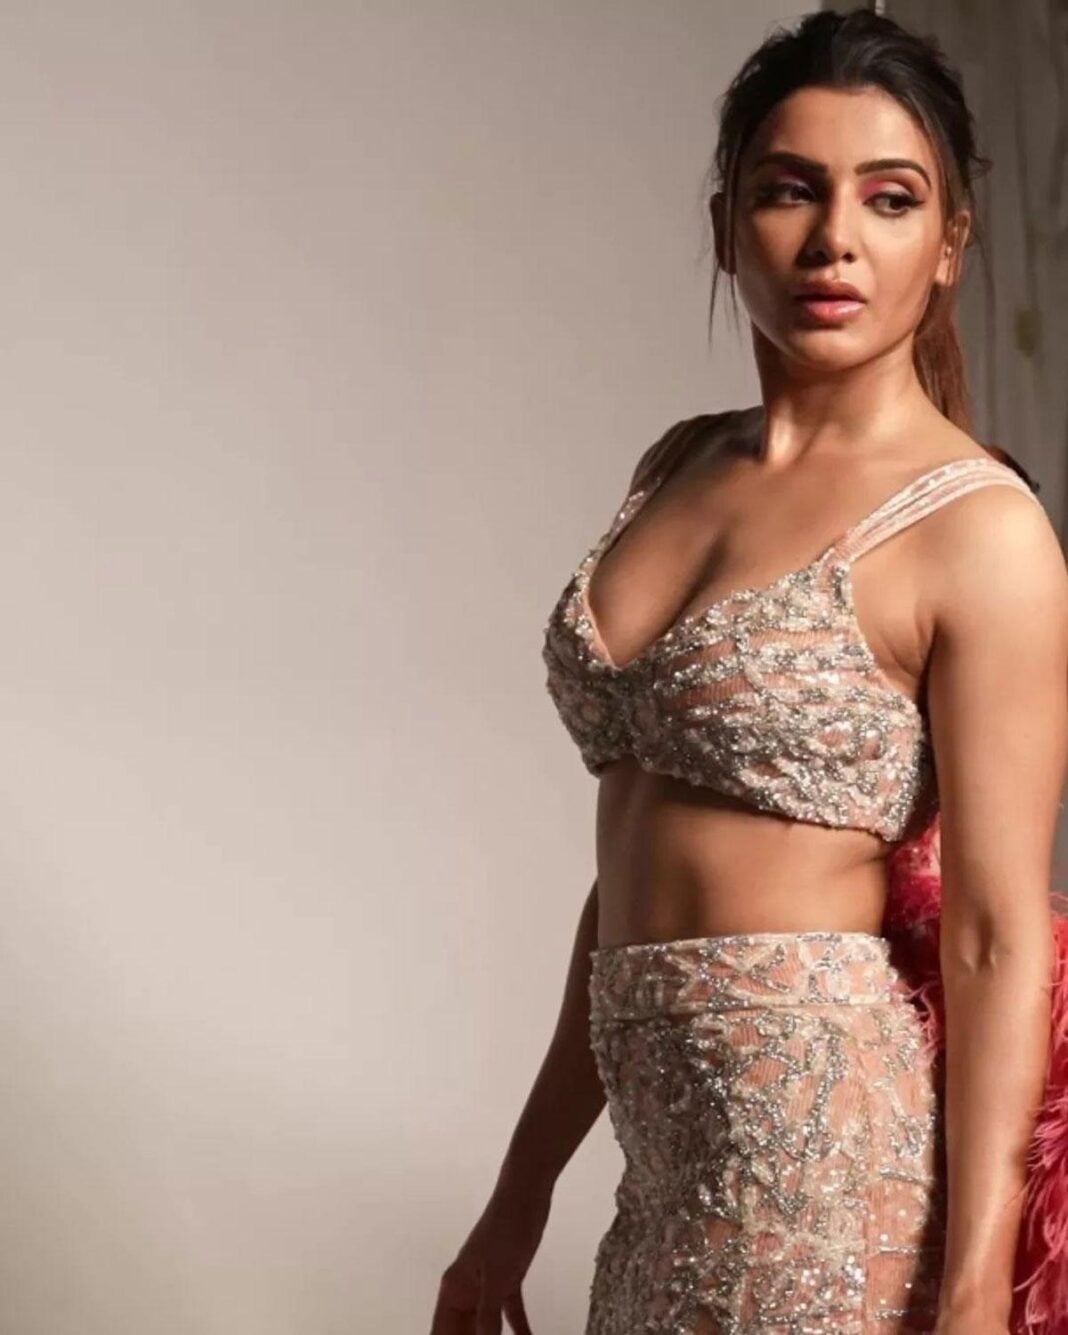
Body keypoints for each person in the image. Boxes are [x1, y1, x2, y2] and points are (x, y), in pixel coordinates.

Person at [429, 9, 1068, 1335]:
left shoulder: (980, 530)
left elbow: (996, 935)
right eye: (790, 190)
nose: (835, 239)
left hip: (831, 1182)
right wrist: (519, 1198)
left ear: (949, 245)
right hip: (660, 1190)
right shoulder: (676, 464)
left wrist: (971, 1299)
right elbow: (631, 875)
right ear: (729, 225)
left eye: (890, 199)